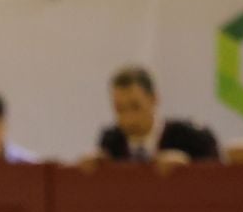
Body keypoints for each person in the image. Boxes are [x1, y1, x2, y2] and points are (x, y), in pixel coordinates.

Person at [92, 65, 222, 165]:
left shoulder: (193, 138)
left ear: (154, 99)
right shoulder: (111, 143)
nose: (128, 118)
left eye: (135, 107)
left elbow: (216, 183)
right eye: (119, 109)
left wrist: (188, 166)